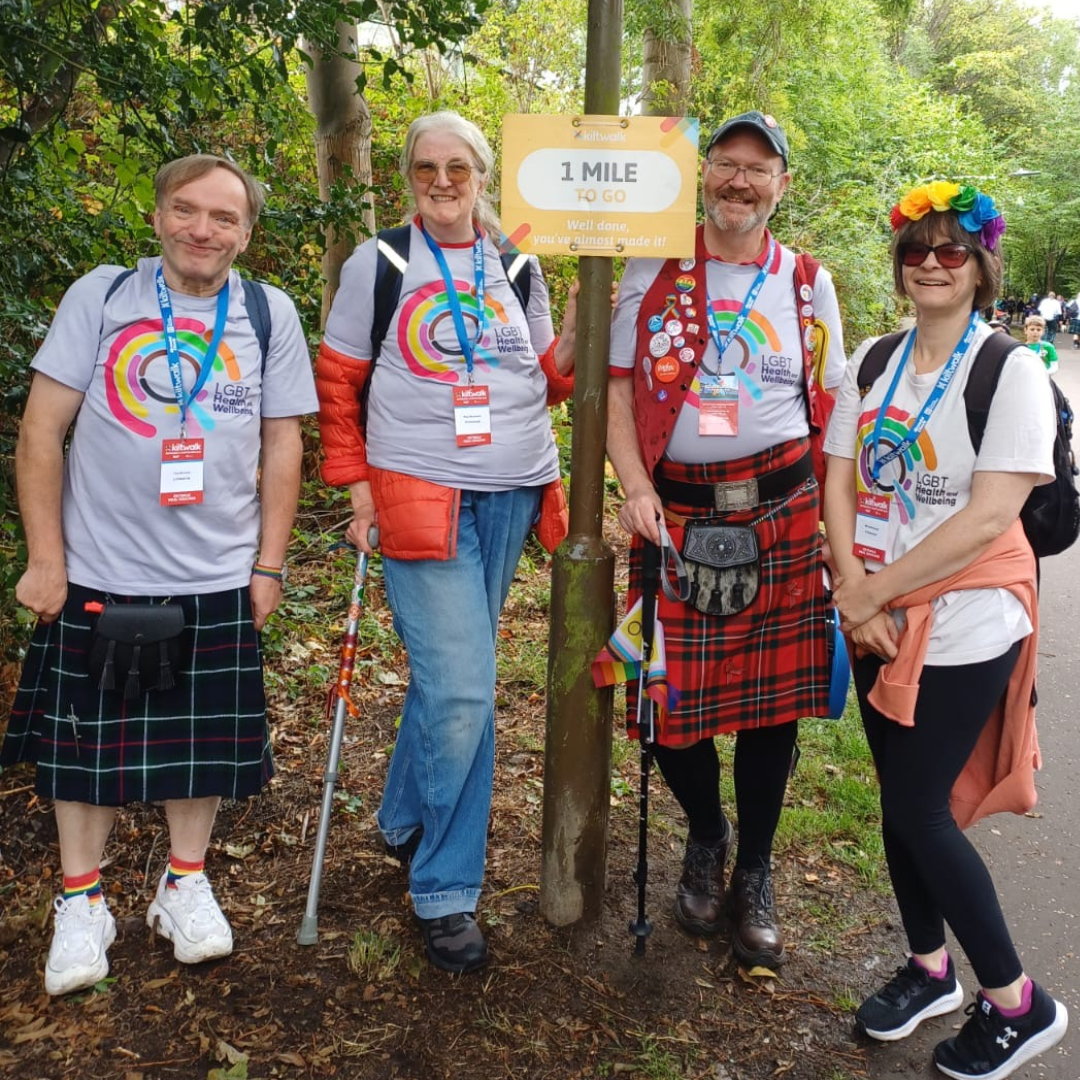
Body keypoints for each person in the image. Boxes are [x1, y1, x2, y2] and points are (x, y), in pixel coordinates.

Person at [2, 154, 317, 996]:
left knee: (201, 753)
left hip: (216, 571)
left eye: (223, 217)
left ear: (246, 234)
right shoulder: (104, 297)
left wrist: (269, 562)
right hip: (98, 567)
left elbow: (282, 442)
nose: (202, 230)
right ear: (157, 216)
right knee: (84, 751)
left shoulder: (267, 312)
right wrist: (46, 558)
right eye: (186, 210)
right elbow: (40, 431)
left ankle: (184, 883)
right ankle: (82, 901)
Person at [315, 110, 576, 974]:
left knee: (450, 676)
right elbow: (339, 383)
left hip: (510, 490)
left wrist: (580, 329)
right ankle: (445, 887)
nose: (441, 181)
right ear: (408, 178)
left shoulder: (518, 265)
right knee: (466, 687)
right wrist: (357, 490)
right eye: (426, 167)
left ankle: (401, 818)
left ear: (482, 175)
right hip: (417, 491)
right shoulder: (382, 262)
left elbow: (546, 378)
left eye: (457, 167)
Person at [823, 182, 1068, 1079]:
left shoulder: (1011, 371)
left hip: (967, 615)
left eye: (950, 250)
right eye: (915, 250)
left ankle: (1020, 1004)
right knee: (899, 801)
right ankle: (930, 969)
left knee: (918, 809)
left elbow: (990, 514)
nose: (931, 263)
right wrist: (855, 589)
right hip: (877, 608)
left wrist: (869, 595)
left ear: (980, 267)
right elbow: (837, 474)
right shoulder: (874, 359)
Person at [606, 111, 846, 968]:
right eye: (727, 163)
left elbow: (834, 409)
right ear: (703, 172)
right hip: (675, 513)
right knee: (667, 707)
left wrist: (837, 526)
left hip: (783, 512)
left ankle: (755, 869)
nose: (740, 181)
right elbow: (617, 385)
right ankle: (707, 835)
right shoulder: (652, 267)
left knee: (772, 710)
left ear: (782, 185)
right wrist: (634, 485)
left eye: (759, 168)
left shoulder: (807, 282)